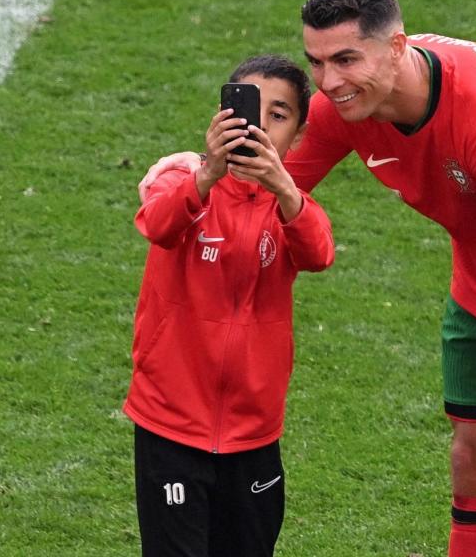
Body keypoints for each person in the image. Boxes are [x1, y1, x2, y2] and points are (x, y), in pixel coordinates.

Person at [140, 0, 476, 557]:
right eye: (318, 62)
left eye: (346, 59)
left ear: (399, 46)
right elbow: (266, 191)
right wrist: (197, 172)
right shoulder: (343, 108)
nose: (329, 83)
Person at [124, 54, 335, 556]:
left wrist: (282, 186)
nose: (259, 124)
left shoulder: (290, 209)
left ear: (298, 136)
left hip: (253, 431)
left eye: (278, 116)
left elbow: (319, 253)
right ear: (220, 116)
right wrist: (208, 174)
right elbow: (156, 225)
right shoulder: (180, 179)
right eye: (247, 109)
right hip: (171, 424)